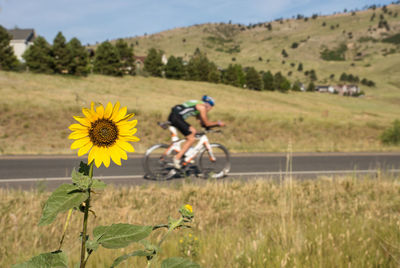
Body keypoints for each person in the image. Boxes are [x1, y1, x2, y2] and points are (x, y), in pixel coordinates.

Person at [168, 95, 225, 169]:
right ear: (208, 105)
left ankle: (185, 154)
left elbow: (201, 121)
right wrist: (218, 123)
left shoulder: (198, 104)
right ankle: (177, 158)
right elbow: (206, 123)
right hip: (177, 117)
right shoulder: (202, 107)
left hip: (174, 114)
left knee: (193, 131)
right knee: (191, 138)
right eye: (211, 106)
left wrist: (206, 127)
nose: (210, 109)